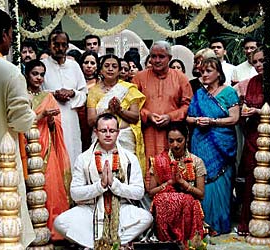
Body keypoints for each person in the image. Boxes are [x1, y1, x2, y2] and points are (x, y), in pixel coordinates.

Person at [54, 113, 153, 249]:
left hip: (121, 209)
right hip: (91, 209)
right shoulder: (84, 159)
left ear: (118, 133)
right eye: (103, 131)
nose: (108, 134)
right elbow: (75, 194)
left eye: (112, 131)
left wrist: (114, 185)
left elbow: (139, 192)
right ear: (96, 132)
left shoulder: (130, 158)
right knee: (60, 222)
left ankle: (108, 242)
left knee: (146, 218)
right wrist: (99, 186)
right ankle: (101, 245)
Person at [0, 8, 36, 248]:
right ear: (4, 34)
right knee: (4, 219)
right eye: (12, 34)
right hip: (1, 162)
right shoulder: (9, 72)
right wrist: (33, 108)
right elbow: (22, 122)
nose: (12, 39)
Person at [187, 57, 240, 235]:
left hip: (221, 144)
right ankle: (203, 225)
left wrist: (212, 121)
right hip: (200, 142)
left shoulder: (229, 92)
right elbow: (188, 117)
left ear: (219, 73)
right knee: (201, 178)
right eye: (202, 72)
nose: (204, 75)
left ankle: (219, 225)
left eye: (208, 71)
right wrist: (197, 120)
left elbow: (234, 118)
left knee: (221, 181)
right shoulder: (200, 94)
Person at [132, 41, 193, 185]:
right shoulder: (139, 78)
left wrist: (170, 117)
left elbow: (188, 105)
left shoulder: (180, 78)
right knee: (147, 169)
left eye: (161, 56)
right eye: (153, 56)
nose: (157, 60)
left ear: (169, 58)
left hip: (172, 135)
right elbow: (132, 105)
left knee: (172, 170)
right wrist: (148, 115)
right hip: (147, 133)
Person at [25, 60, 71, 241]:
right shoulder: (22, 96)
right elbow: (22, 122)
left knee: (50, 187)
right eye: (35, 73)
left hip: (47, 147)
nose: (38, 77)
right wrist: (42, 115)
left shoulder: (48, 97)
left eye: (42, 74)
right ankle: (30, 231)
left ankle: (52, 229)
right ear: (27, 74)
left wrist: (51, 121)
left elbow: (55, 126)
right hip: (27, 146)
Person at [87, 54, 146, 175]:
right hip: (101, 137)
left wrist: (119, 110)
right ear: (100, 70)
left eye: (114, 66)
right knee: (102, 170)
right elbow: (91, 121)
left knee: (126, 170)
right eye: (107, 66)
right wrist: (108, 111)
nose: (110, 69)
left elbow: (135, 117)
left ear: (119, 71)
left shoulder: (128, 89)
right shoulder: (93, 92)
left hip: (125, 138)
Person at [148, 121, 206, 246]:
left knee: (185, 201)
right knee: (162, 200)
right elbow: (151, 192)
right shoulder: (159, 161)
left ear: (187, 139)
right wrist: (169, 183)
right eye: (171, 141)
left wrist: (183, 184)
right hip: (165, 203)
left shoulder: (196, 161)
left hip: (188, 203)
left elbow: (201, 194)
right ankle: (166, 242)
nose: (175, 145)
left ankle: (184, 242)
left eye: (179, 140)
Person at [42, 30, 87, 170]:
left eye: (63, 45)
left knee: (72, 152)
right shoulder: (42, 66)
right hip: (49, 119)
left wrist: (72, 93)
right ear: (49, 45)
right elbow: (36, 94)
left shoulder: (74, 66)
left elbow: (84, 94)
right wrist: (54, 94)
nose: (60, 48)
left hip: (70, 118)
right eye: (56, 44)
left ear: (68, 46)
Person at [237, 47, 267, 235]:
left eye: (262, 61)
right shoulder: (253, 82)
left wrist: (260, 112)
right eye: (255, 62)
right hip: (253, 136)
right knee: (251, 179)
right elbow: (247, 104)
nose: (258, 65)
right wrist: (246, 109)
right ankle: (248, 224)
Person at [78, 50, 100, 151]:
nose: (89, 66)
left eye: (92, 63)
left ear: (97, 65)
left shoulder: (100, 82)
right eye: (86, 63)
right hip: (78, 119)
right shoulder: (76, 80)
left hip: (94, 119)